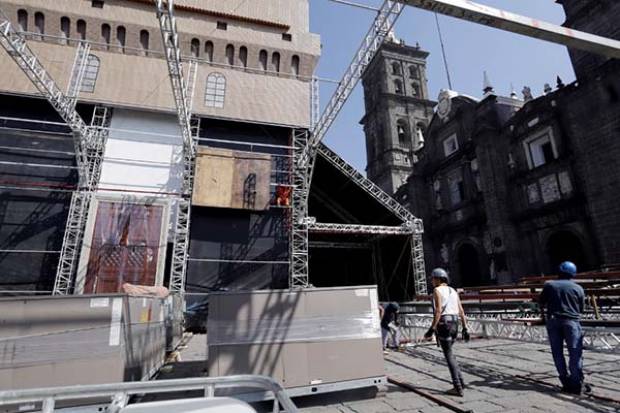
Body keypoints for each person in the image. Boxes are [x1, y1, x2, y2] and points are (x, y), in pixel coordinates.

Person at [539, 261, 590, 395]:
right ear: (573, 273)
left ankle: (565, 381)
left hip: (553, 321)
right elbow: (581, 309)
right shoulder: (578, 288)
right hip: (571, 322)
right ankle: (577, 382)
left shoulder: (549, 285)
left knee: (557, 352)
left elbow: (541, 302)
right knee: (575, 352)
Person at [424, 268, 470, 397]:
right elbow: (461, 310)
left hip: (444, 324)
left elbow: (438, 310)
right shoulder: (453, 290)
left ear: (439, 279)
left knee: (448, 355)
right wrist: (465, 328)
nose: (432, 281)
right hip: (455, 323)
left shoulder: (436, 290)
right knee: (450, 353)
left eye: (433, 278)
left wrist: (432, 328)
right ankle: (461, 381)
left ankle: (457, 387)